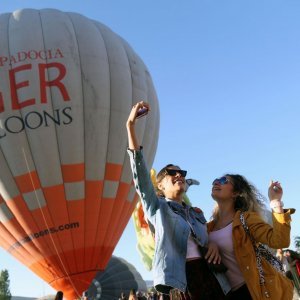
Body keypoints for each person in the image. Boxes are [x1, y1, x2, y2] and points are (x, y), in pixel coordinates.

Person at [126, 101, 230, 299]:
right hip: (181, 280)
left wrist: (213, 244)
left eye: (181, 172)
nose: (179, 175)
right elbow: (140, 176)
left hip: (211, 276)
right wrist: (130, 127)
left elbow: (212, 237)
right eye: (171, 172)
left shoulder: (196, 213)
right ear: (161, 186)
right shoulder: (158, 208)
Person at [207, 174, 295, 299]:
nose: (216, 182)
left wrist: (275, 202)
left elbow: (279, 241)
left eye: (223, 181)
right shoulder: (207, 228)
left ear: (235, 193)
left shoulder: (246, 219)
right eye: (215, 180)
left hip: (254, 290)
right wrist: (210, 244)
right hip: (227, 293)